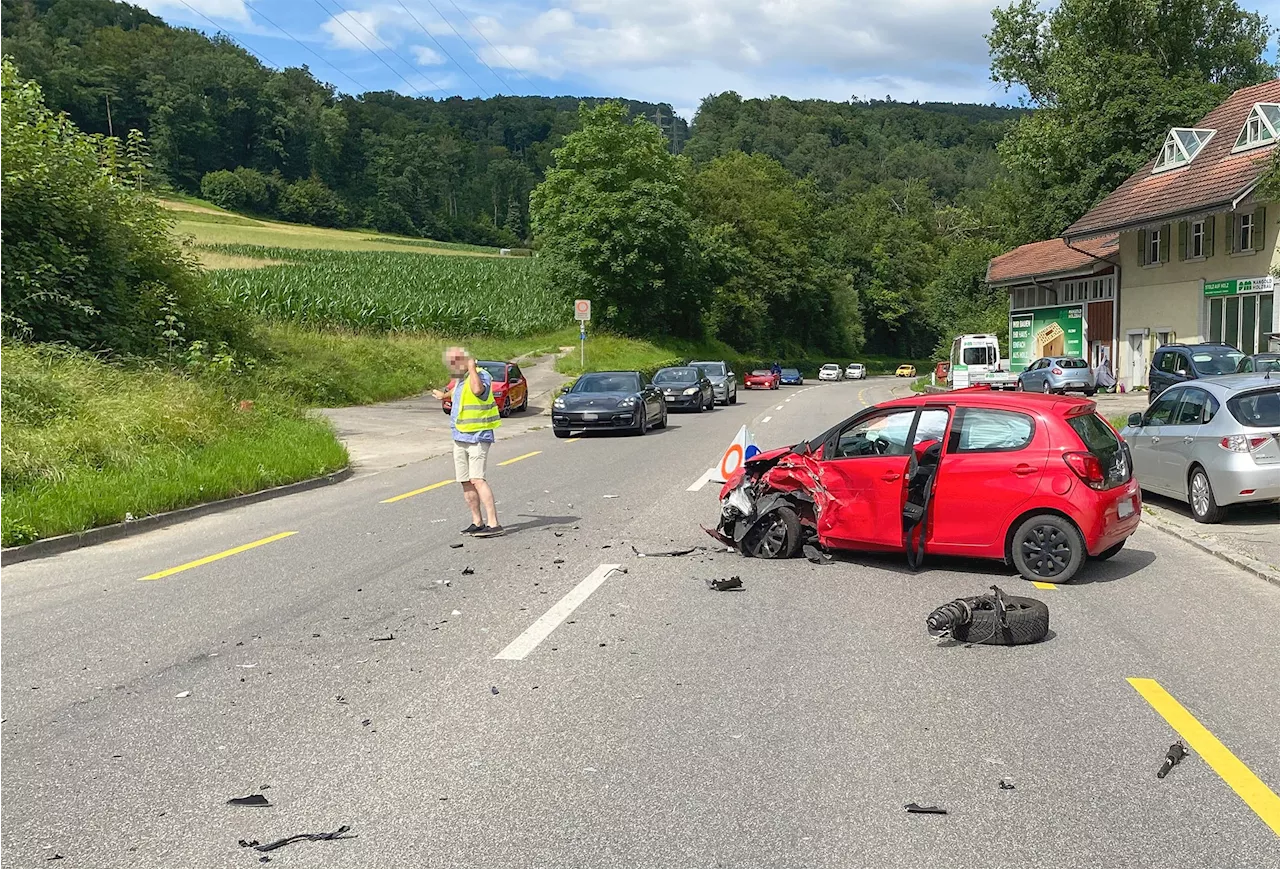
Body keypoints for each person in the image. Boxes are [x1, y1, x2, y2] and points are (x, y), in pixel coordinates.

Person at [431, 347, 503, 537]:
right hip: (460, 437)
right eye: (450, 362)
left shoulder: (481, 375)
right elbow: (455, 392)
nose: (452, 365)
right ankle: (477, 521)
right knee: (465, 481)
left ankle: (494, 524)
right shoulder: (460, 381)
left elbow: (478, 390)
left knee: (477, 479)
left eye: (456, 361)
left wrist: (472, 367)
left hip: (478, 437)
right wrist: (442, 395)